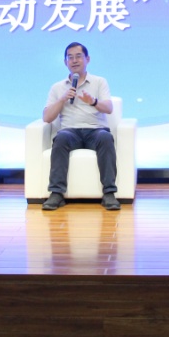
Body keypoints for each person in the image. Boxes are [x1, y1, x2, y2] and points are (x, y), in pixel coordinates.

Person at [41, 42, 120, 211]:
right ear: (65, 62)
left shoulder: (99, 82)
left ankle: (109, 193)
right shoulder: (57, 87)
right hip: (70, 132)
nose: (74, 60)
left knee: (105, 137)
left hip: (96, 130)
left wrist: (93, 101)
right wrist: (62, 99)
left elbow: (109, 108)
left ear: (87, 59)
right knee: (61, 138)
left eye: (78, 56)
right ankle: (56, 193)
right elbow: (47, 117)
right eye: (70, 57)